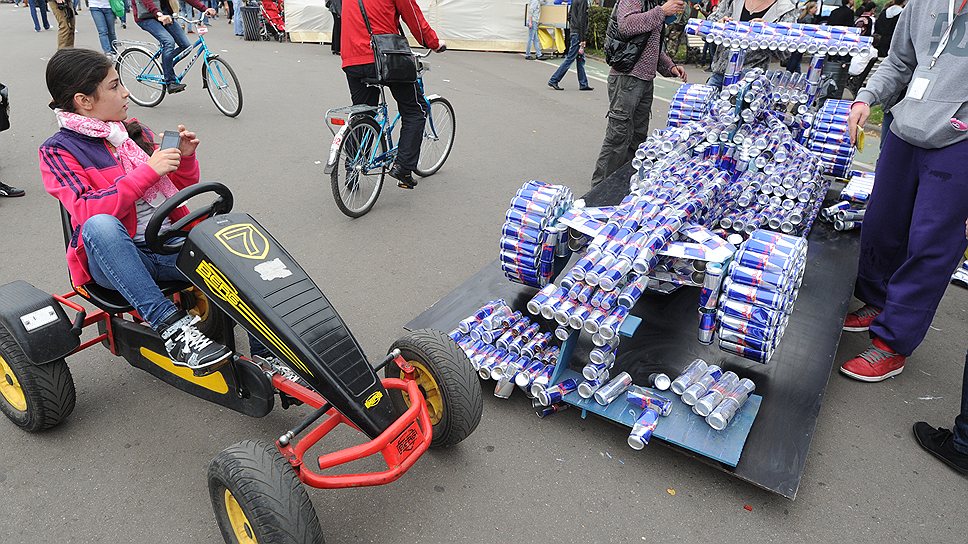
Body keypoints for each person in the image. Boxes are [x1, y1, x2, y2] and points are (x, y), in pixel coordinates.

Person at [39, 48, 234, 374]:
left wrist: (183, 158)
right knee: (100, 224)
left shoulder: (131, 131)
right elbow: (87, 210)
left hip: (166, 242)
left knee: (232, 248)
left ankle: (269, 354)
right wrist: (147, 172)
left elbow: (179, 187)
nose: (126, 92)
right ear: (84, 100)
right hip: (114, 259)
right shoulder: (58, 150)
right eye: (115, 86)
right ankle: (172, 330)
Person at [840, 0, 968, 383]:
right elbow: (899, 61)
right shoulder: (922, 3)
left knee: (931, 243)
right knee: (882, 223)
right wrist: (867, 97)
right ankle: (877, 301)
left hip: (958, 139)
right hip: (904, 127)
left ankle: (893, 343)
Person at [340, 0, 446, 190]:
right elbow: (414, 18)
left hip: (352, 58)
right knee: (415, 109)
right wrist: (435, 43)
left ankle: (353, 168)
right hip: (385, 56)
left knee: (364, 114)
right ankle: (403, 168)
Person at [591, 0, 687, 187]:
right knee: (618, 136)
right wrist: (661, 11)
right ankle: (599, 191)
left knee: (637, 138)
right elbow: (626, 26)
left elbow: (650, 47)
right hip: (627, 77)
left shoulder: (652, 4)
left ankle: (623, 186)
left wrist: (670, 67)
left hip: (644, 80)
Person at [705, 0, 797, 89]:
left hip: (751, 82)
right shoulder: (730, 2)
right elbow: (707, 28)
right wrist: (718, 26)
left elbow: (786, 52)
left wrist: (768, 33)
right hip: (719, 76)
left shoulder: (785, 9)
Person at [132, 0, 217, 93]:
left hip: (165, 14)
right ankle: (170, 82)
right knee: (168, 42)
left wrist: (204, 9)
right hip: (146, 17)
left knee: (186, 45)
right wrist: (158, 14)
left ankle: (166, 65)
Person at [548, 0, 592, 91]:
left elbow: (570, 16)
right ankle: (554, 79)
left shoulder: (575, 1)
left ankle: (583, 83)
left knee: (580, 59)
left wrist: (572, 28)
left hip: (574, 31)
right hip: (578, 33)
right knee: (570, 58)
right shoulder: (583, 1)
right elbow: (582, 19)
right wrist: (583, 38)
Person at [785, 1, 817, 73]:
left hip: (797, 39)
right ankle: (792, 71)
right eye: (815, 7)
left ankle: (794, 71)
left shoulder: (802, 16)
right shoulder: (809, 18)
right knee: (797, 57)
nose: (816, 9)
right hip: (802, 40)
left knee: (795, 56)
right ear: (810, 9)